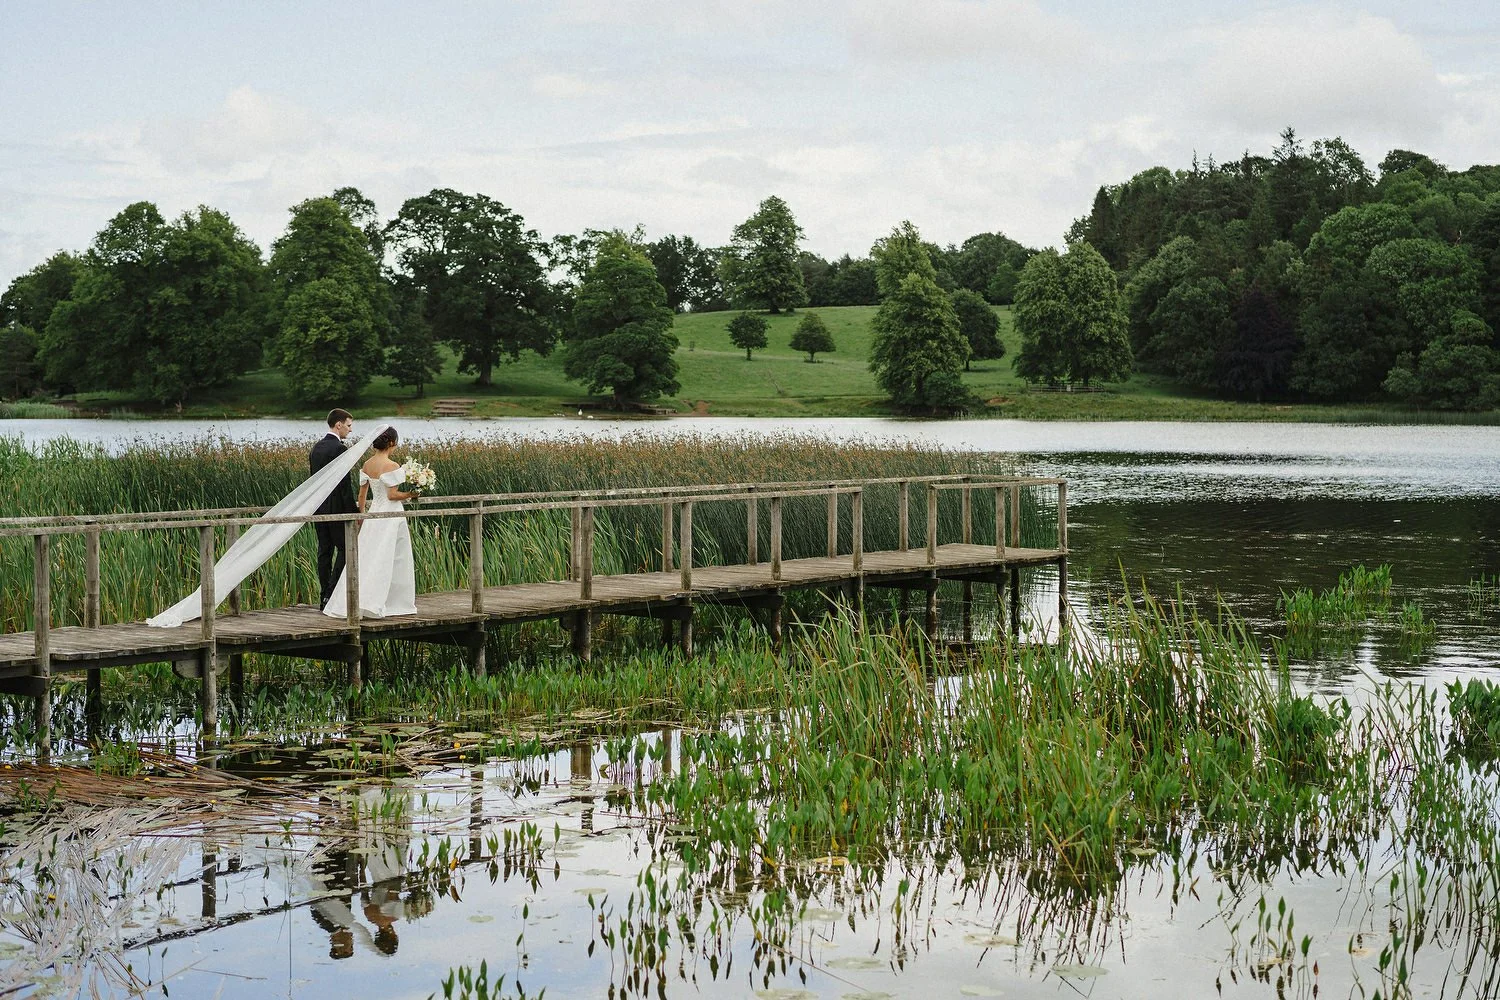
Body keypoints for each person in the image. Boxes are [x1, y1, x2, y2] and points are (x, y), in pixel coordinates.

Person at [323, 426, 419, 619]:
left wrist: (362, 516)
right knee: (394, 556)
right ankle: (391, 602)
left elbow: (361, 495)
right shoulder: (392, 465)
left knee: (369, 556)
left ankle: (356, 600)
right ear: (391, 443)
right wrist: (411, 494)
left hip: (374, 513)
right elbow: (392, 495)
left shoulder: (367, 464)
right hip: (391, 516)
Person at [310, 408, 357, 610]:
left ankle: (323, 596)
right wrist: (353, 511)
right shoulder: (340, 449)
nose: (350, 430)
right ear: (338, 425)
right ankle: (330, 593)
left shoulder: (316, 448)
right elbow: (344, 485)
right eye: (348, 425)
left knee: (324, 551)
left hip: (318, 508)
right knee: (346, 549)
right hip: (336, 509)